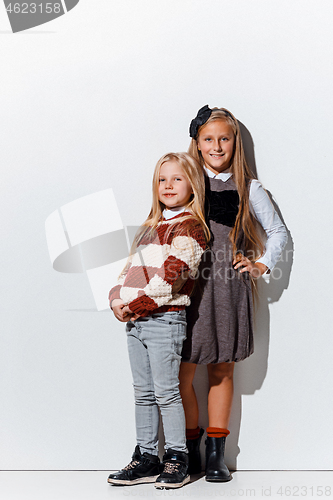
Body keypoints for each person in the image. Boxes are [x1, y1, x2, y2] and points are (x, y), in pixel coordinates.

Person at [179, 106, 288, 482]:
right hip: (187, 287)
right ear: (197, 142)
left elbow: (279, 233)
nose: (216, 145)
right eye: (208, 138)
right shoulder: (185, 180)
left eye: (224, 138)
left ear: (234, 142)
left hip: (227, 285)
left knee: (221, 369)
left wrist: (260, 265)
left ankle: (216, 453)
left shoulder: (249, 187)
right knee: (182, 369)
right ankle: (188, 447)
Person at [107, 152, 210, 489]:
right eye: (162, 179)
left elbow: (172, 278)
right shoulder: (151, 228)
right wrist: (116, 298)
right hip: (136, 322)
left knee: (167, 392)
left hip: (164, 319)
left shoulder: (190, 228)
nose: (168, 185)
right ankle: (147, 457)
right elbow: (130, 272)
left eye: (177, 178)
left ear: (192, 186)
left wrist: (135, 305)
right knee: (143, 393)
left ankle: (177, 457)